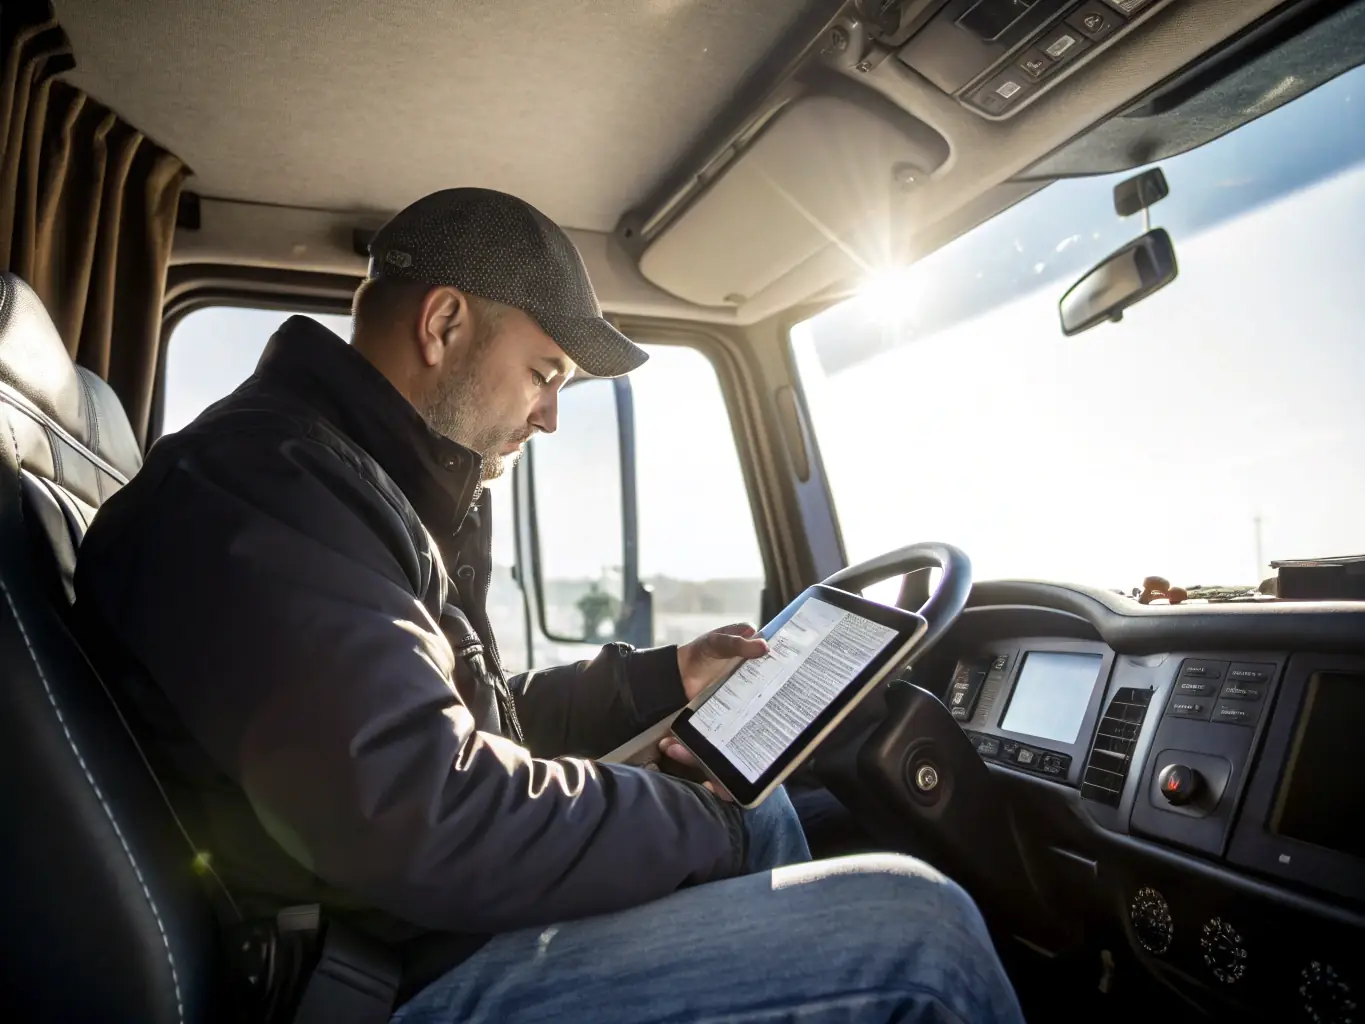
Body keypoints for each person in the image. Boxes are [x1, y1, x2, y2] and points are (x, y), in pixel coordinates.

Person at [73, 187, 1024, 1023]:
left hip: (398, 929)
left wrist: (663, 679)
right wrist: (695, 819)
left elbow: (448, 722)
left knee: (760, 810)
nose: (550, 415)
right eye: (544, 374)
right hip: (374, 981)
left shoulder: (337, 483)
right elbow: (425, 806)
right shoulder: (267, 490)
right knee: (921, 934)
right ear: (443, 325)